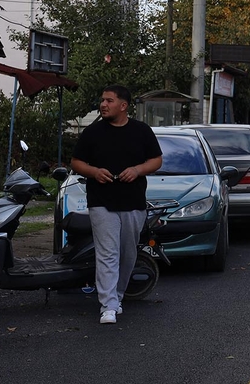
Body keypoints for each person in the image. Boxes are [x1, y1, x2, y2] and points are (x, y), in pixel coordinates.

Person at [71, 85, 163, 325]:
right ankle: (108, 304)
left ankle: (117, 296)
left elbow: (156, 160)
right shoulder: (92, 133)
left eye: (109, 101)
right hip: (102, 201)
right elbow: (76, 162)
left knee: (127, 252)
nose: (103, 104)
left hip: (133, 201)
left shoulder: (141, 131)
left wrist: (137, 170)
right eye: (102, 100)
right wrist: (93, 172)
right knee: (107, 253)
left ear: (123, 106)